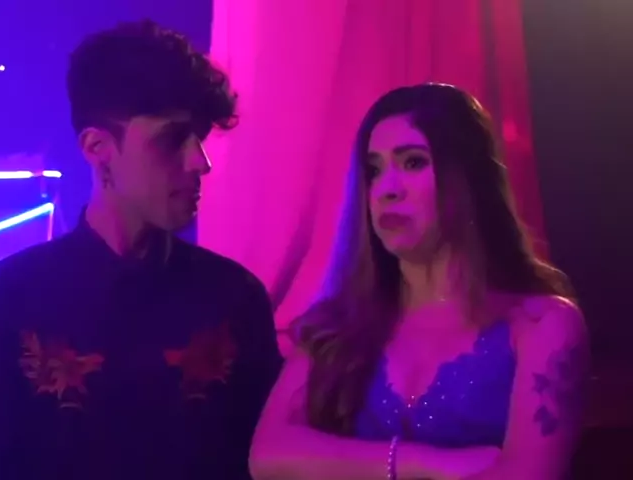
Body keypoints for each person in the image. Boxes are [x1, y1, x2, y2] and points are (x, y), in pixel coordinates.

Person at [0, 20, 283, 480]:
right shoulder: (8, 299)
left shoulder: (235, 297)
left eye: (201, 137)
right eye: (172, 139)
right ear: (97, 148)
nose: (199, 162)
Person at [249, 84, 589, 480]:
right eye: (374, 171)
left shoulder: (541, 324)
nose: (387, 189)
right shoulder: (337, 324)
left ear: (469, 177)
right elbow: (267, 456)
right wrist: (423, 464)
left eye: (412, 162)